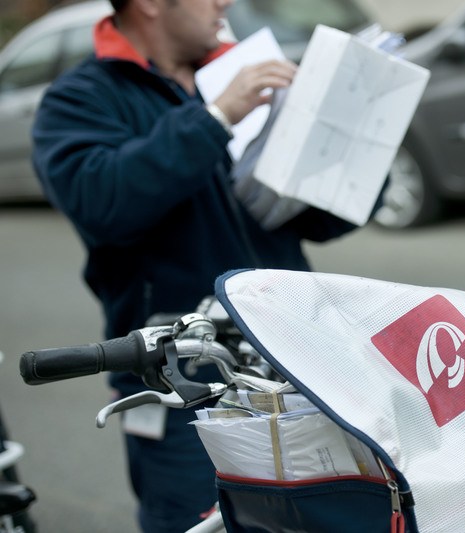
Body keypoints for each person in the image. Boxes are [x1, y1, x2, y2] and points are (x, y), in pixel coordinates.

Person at [31, 0, 359, 531]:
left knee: (322, 518)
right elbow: (101, 202)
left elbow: (315, 222)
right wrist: (216, 117)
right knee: (197, 521)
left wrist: (348, 160)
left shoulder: (235, 71)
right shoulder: (81, 97)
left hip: (297, 366)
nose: (224, 3)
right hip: (182, 385)